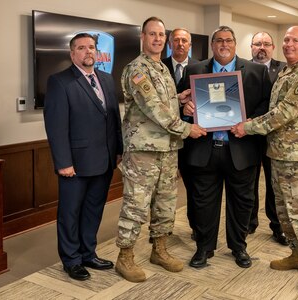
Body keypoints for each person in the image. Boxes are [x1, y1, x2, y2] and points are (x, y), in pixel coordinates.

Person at [231, 26, 298, 293]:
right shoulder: (287, 72)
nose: (289, 44)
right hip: (280, 153)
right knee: (285, 212)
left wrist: (247, 126)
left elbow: (283, 112)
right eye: (285, 39)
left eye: (295, 40)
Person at [115, 16, 206, 283]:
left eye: (160, 35)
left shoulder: (162, 68)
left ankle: (160, 249)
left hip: (167, 149)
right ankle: (125, 256)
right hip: (143, 150)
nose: (157, 39)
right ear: (142, 37)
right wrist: (188, 129)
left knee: (166, 203)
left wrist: (180, 98)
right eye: (152, 34)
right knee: (136, 204)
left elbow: (164, 102)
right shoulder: (137, 69)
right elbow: (153, 108)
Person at [178, 26, 272, 269]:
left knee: (242, 202)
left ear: (235, 43)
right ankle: (203, 248)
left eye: (228, 40)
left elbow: (267, 104)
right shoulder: (194, 69)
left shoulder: (256, 72)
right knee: (202, 202)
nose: (223, 44)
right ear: (212, 45)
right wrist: (185, 109)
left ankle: (238, 246)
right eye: (218, 40)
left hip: (241, 148)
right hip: (204, 149)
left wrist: (252, 121)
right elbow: (179, 101)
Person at [44, 33, 123, 281]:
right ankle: (71, 259)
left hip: (104, 160)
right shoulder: (60, 81)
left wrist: (118, 150)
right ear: (72, 53)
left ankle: (88, 253)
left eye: (91, 47)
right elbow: (56, 127)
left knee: (93, 211)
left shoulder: (107, 79)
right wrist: (63, 163)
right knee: (70, 213)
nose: (88, 51)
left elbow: (114, 119)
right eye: (81, 47)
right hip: (75, 164)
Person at [248, 31, 288, 246]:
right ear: (251, 47)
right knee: (248, 182)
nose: (261, 48)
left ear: (273, 47)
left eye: (266, 44)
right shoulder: (242, 68)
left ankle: (277, 226)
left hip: (275, 138)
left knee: (275, 184)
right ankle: (250, 222)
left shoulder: (284, 70)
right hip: (248, 136)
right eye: (257, 44)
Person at [161, 28, 199, 240]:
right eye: (176, 40)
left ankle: (195, 226)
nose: (180, 44)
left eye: (184, 40)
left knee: (194, 186)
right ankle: (161, 230)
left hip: (191, 138)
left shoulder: (200, 67)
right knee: (163, 189)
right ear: (170, 43)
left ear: (190, 44)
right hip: (165, 138)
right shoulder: (160, 66)